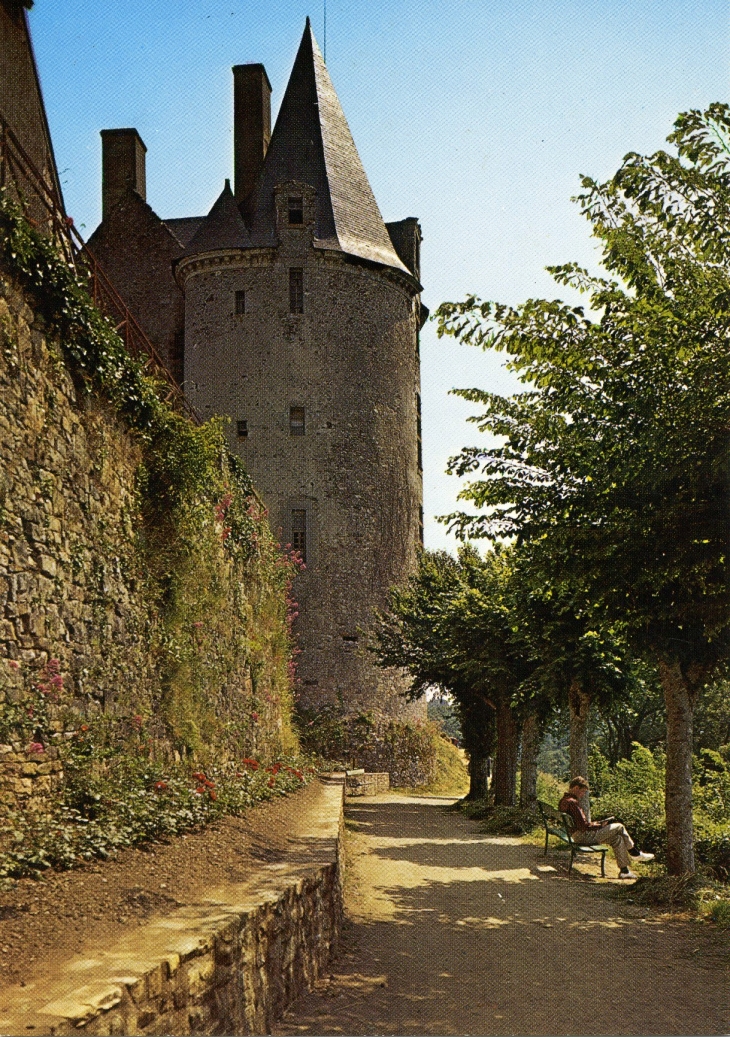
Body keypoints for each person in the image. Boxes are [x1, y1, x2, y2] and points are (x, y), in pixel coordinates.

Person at [558, 776, 654, 879]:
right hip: (582, 836)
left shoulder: (564, 800)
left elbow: (581, 823)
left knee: (617, 839)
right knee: (619, 827)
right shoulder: (572, 803)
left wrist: (598, 823)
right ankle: (635, 853)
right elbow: (583, 826)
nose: (583, 795)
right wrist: (600, 825)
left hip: (576, 834)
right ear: (576, 788)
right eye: (582, 791)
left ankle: (624, 871)